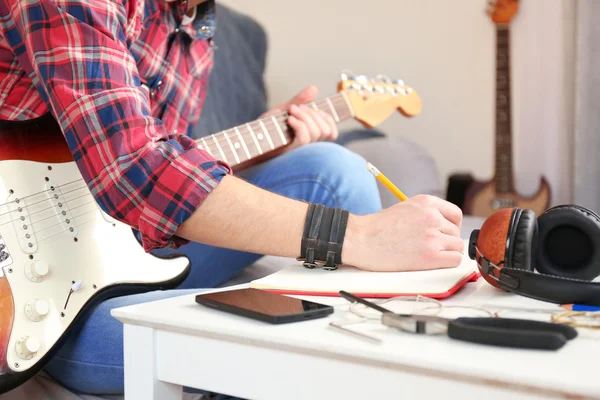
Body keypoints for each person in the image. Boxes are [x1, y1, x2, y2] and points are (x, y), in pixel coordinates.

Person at [0, 0, 464, 395]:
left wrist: (265, 142)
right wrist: (359, 236)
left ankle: (359, 346)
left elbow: (166, 161)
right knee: (287, 333)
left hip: (123, 241)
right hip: (31, 291)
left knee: (334, 169)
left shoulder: (197, 24)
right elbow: (136, 172)